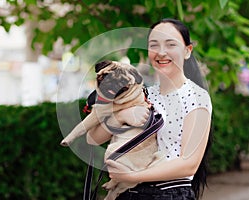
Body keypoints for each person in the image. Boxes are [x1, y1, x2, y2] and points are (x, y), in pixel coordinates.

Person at [86, 18, 212, 200]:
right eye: (154, 45)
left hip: (169, 193)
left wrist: (131, 177)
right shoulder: (140, 95)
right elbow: (93, 138)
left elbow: (189, 164)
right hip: (128, 194)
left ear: (187, 51)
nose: (161, 52)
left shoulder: (197, 97)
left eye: (170, 44)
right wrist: (122, 115)